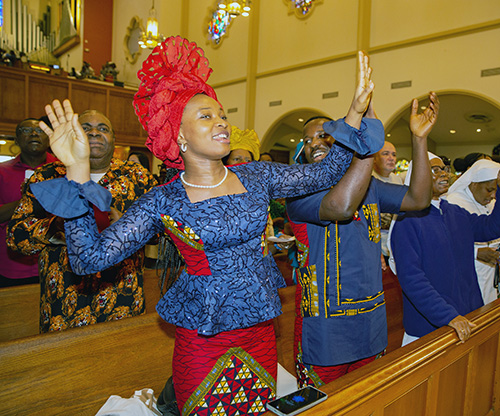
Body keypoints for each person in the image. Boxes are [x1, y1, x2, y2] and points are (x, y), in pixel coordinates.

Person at [32, 37, 383, 415]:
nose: (221, 123)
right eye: (206, 116)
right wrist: (78, 170)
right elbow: (89, 259)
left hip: (261, 336)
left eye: (222, 115)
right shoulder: (163, 199)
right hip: (203, 343)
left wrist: (354, 114)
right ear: (179, 136)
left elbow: (327, 171)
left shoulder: (257, 176)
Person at [286, 92, 438, 387]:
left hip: (371, 324)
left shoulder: (371, 188)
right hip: (325, 332)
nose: (315, 142)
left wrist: (419, 140)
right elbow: (341, 207)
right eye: (307, 140)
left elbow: (419, 199)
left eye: (323, 135)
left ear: (341, 138)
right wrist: (367, 143)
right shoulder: (299, 191)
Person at [7, 110, 157, 332]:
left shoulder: (138, 177)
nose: (95, 133)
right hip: (63, 302)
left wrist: (129, 227)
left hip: (121, 299)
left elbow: (164, 232)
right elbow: (15, 238)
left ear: (114, 140)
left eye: (103, 129)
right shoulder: (46, 176)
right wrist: (54, 229)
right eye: (85, 128)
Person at [390, 155, 500, 346]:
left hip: (465, 319)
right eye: (435, 170)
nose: (443, 174)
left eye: (444, 169)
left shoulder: (454, 213)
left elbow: (490, 227)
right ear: (417, 176)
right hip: (430, 328)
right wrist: (448, 316)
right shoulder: (407, 221)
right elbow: (412, 279)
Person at [0, 118, 57, 287]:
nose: (33, 134)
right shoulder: (2, 172)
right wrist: (31, 200)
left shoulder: (64, 169)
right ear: (16, 139)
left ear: (49, 139)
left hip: (55, 264)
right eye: (26, 130)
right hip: (12, 267)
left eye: (40, 131)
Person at [446, 159, 500, 304]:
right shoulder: (454, 203)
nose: (493, 195)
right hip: (467, 276)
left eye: (496, 190)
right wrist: (476, 253)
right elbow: (446, 244)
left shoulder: (492, 202)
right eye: (489, 190)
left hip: (490, 277)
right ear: (474, 183)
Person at [371, 141, 403, 266]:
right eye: (385, 154)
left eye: (394, 155)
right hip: (375, 244)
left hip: (395, 241)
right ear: (374, 159)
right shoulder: (368, 180)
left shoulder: (397, 180)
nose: (391, 158)